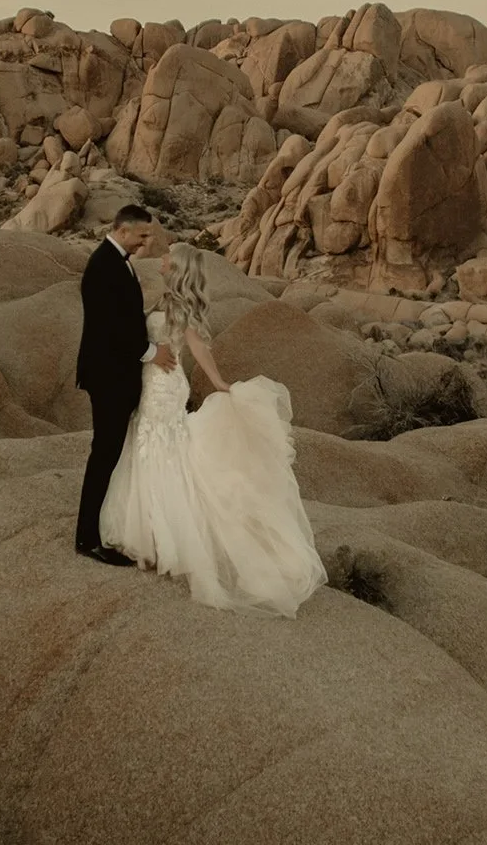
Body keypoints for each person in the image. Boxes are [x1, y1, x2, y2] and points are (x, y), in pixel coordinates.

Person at [100, 244, 327, 618]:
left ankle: (165, 537)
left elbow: (198, 348)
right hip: (151, 382)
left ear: (179, 268)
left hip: (164, 387)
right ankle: (154, 533)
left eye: (168, 258)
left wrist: (220, 383)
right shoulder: (165, 301)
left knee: (156, 449)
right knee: (147, 448)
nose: (161, 259)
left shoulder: (180, 306)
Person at [73, 203, 174, 563]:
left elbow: (125, 317)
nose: (146, 242)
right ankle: (88, 540)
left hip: (115, 373)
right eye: (143, 235)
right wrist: (151, 352)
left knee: (109, 453)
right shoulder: (104, 266)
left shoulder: (117, 261)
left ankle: (94, 530)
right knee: (104, 454)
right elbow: (109, 327)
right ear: (124, 230)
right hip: (108, 375)